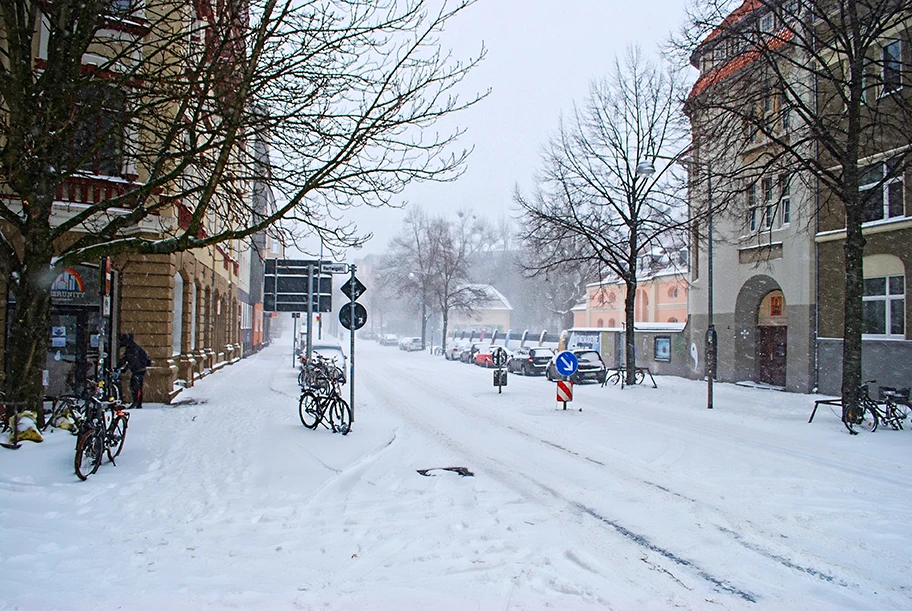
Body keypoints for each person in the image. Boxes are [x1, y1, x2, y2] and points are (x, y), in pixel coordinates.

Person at [118, 333, 151, 409]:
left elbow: (130, 361)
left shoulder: (132, 349)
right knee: (136, 386)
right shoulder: (133, 348)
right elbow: (126, 359)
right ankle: (138, 402)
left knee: (135, 386)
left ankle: (137, 402)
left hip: (138, 369)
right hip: (140, 369)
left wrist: (124, 369)